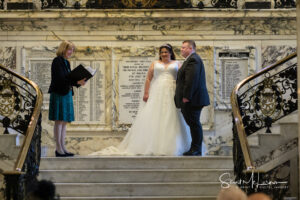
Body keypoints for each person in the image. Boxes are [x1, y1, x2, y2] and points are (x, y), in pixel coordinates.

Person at [90, 44, 191, 156]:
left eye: (166, 52)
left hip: (172, 91)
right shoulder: (155, 63)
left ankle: (173, 146)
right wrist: (146, 92)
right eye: (162, 52)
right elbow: (148, 78)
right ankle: (153, 145)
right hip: (157, 91)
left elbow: (182, 79)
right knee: (155, 117)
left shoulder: (177, 64)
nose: (164, 54)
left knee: (172, 116)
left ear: (171, 52)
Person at [48, 40, 86, 157]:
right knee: (59, 121)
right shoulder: (57, 61)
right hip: (59, 93)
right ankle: (58, 149)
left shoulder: (66, 62)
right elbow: (60, 79)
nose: (71, 52)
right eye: (70, 49)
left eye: (72, 50)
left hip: (67, 93)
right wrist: (76, 81)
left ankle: (63, 147)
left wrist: (79, 82)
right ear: (63, 49)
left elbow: (69, 78)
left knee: (64, 122)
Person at [174, 40, 210, 156]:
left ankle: (196, 149)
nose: (181, 49)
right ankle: (195, 148)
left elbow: (191, 80)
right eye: (182, 47)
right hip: (192, 99)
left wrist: (186, 96)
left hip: (191, 99)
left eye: (184, 47)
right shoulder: (191, 59)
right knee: (193, 124)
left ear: (191, 48)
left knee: (194, 124)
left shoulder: (193, 59)